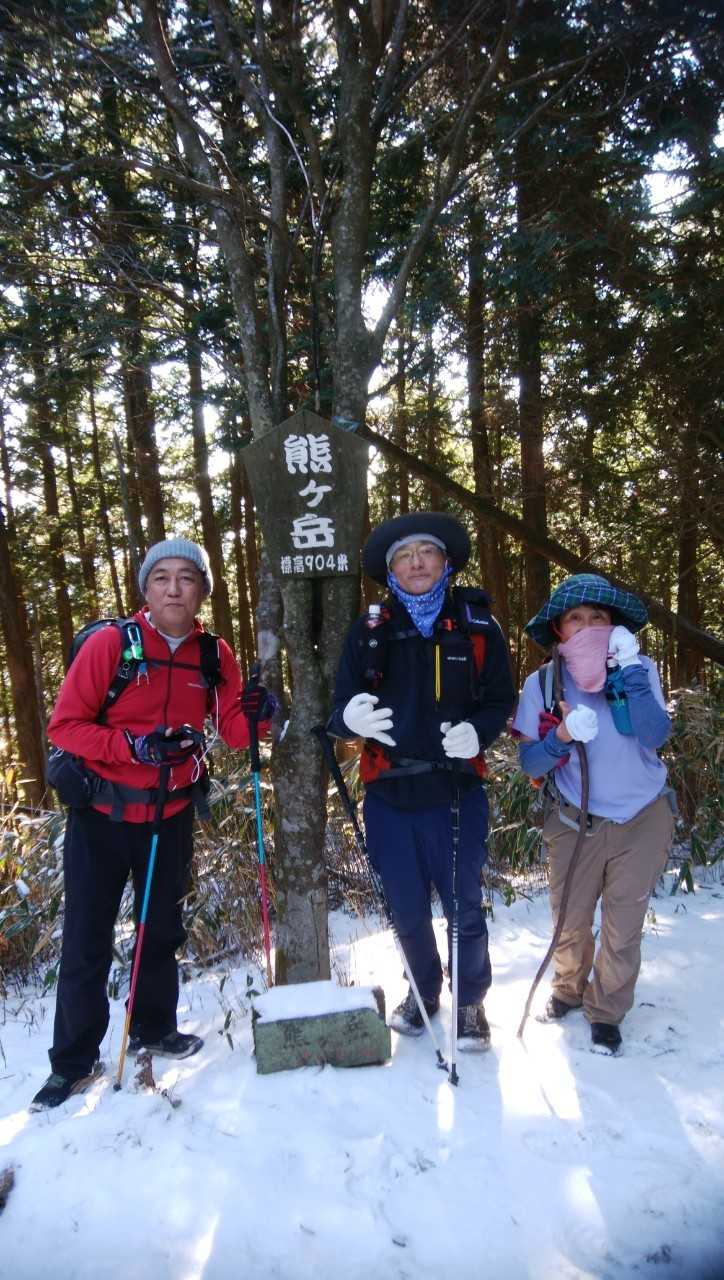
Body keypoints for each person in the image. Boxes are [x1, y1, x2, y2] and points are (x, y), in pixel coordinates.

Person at [31, 537, 274, 1111]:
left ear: (202, 590)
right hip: (101, 814)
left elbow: (234, 731)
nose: (173, 588)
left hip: (171, 811)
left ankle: (153, 1026)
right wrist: (136, 747)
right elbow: (65, 727)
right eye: (161, 577)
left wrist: (259, 713)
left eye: (186, 578)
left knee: (161, 927)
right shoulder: (112, 645)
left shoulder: (213, 654)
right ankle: (71, 1063)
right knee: (87, 938)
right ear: (146, 589)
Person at [328, 512, 514, 1050]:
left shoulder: (478, 627)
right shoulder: (369, 632)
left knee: (464, 905)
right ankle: (423, 991)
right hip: (389, 795)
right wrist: (349, 722)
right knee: (406, 909)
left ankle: (471, 1001)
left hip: (456, 790)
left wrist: (479, 733)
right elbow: (339, 708)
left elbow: (500, 699)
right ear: (391, 571)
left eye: (426, 552)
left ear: (445, 562)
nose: (416, 563)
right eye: (404, 556)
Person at [512, 574, 675, 1055]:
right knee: (569, 919)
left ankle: (606, 1011)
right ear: (558, 630)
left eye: (598, 617)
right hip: (574, 820)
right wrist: (560, 737)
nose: (587, 627)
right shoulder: (543, 683)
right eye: (575, 619)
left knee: (624, 926)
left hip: (642, 817)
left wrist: (631, 674)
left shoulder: (640, 668)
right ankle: (568, 989)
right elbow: (530, 764)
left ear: (615, 626)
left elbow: (655, 734)